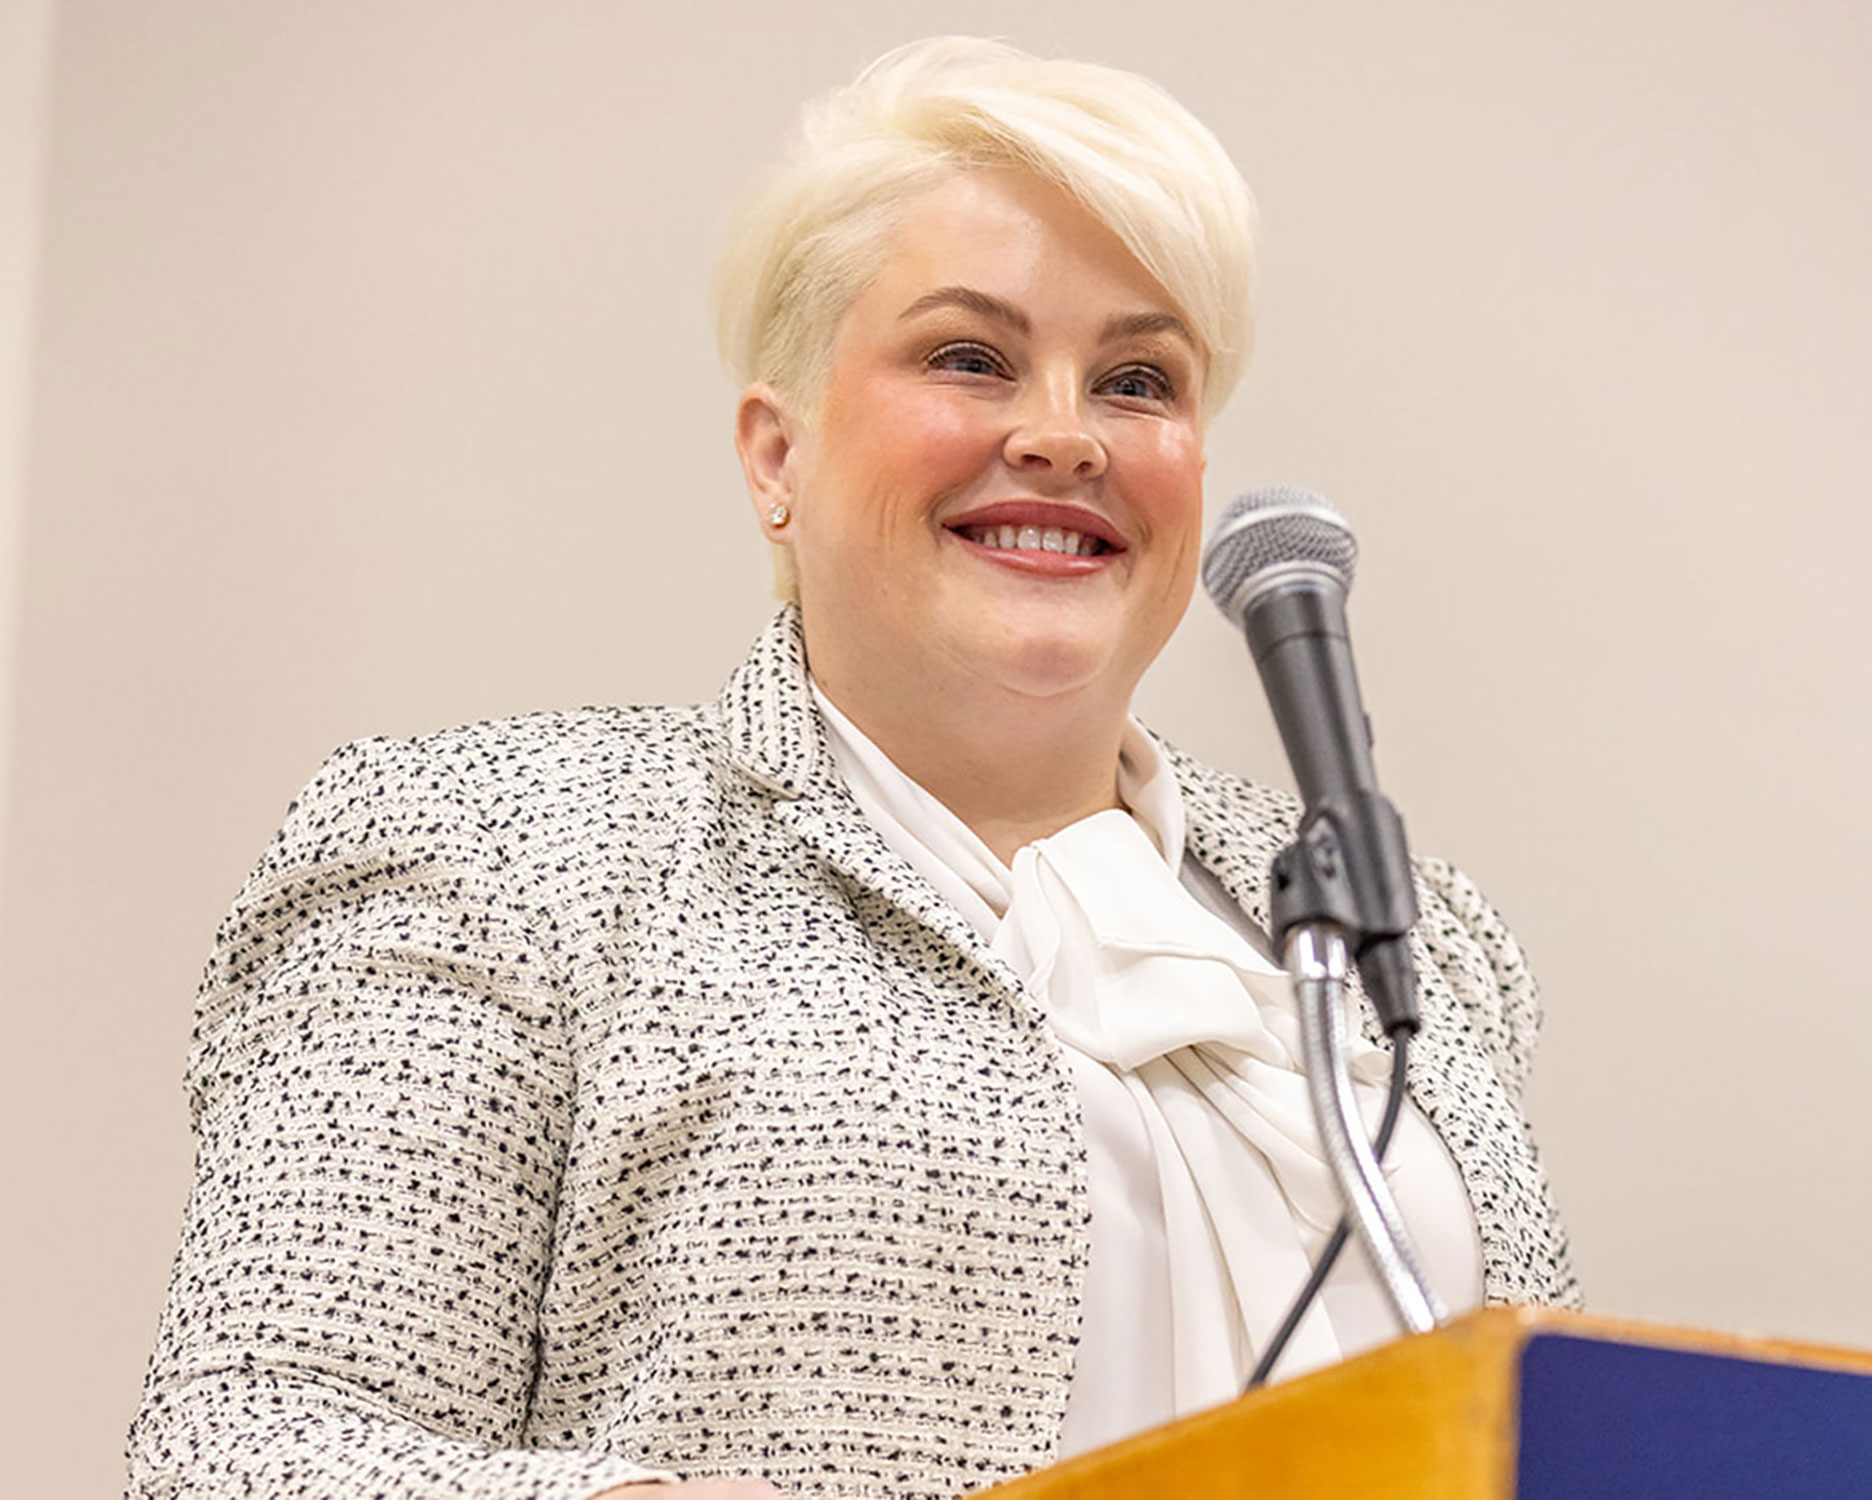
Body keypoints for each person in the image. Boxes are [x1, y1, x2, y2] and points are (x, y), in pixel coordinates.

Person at [127, 36, 1575, 1500]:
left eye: (1139, 379)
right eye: (970, 357)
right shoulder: (512, 858)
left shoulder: (1409, 944)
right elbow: (243, 1449)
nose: (1065, 435)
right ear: (777, 456)